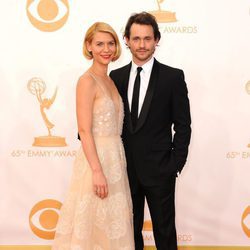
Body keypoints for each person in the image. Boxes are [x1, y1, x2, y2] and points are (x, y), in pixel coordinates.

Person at [110, 12, 191, 250]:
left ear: (157, 39)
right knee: (129, 233)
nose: (142, 45)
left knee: (164, 232)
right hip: (125, 170)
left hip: (161, 170)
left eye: (147, 38)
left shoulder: (172, 77)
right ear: (126, 40)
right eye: (136, 39)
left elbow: (183, 124)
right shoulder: (116, 77)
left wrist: (175, 163)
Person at [52, 22, 134, 250]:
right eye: (99, 44)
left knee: (111, 224)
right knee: (91, 224)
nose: (106, 49)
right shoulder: (86, 81)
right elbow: (84, 130)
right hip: (95, 161)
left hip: (115, 159)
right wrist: (97, 171)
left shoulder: (110, 80)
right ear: (89, 46)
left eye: (110, 43)